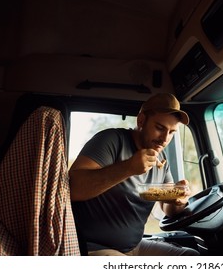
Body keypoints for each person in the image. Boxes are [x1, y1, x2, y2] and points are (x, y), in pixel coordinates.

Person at [69, 93, 199, 256]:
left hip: (135, 247)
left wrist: (178, 198)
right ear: (141, 120)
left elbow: (168, 208)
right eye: (160, 128)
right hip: (94, 247)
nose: (165, 139)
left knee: (190, 256)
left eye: (172, 132)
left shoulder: (161, 158)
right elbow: (73, 188)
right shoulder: (111, 140)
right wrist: (128, 168)